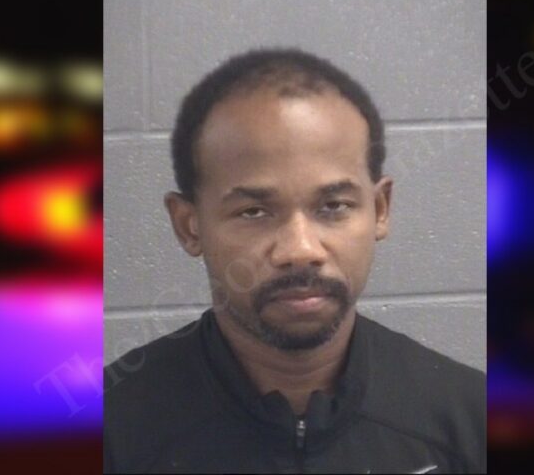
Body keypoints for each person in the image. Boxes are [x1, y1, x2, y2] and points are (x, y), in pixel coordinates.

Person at [104, 48, 485, 474]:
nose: (301, 249)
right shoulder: (111, 430)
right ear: (189, 226)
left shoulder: (470, 422)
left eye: (334, 206)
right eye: (254, 212)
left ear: (379, 210)